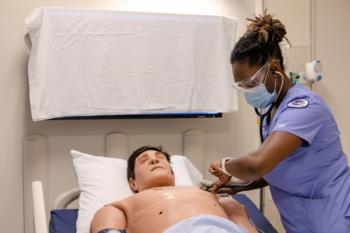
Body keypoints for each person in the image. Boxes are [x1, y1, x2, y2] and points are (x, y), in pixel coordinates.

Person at [208, 11, 350, 233]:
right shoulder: (274, 109)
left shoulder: (305, 108)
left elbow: (258, 164)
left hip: (332, 214)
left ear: (274, 69)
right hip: (300, 219)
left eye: (250, 82)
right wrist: (239, 185)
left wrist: (226, 165)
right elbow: (279, 168)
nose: (247, 91)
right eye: (241, 85)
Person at [90, 146, 258, 233]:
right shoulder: (121, 205)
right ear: (133, 183)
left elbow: (243, 224)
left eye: (160, 158)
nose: (154, 161)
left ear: (173, 172)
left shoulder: (211, 197)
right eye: (144, 160)